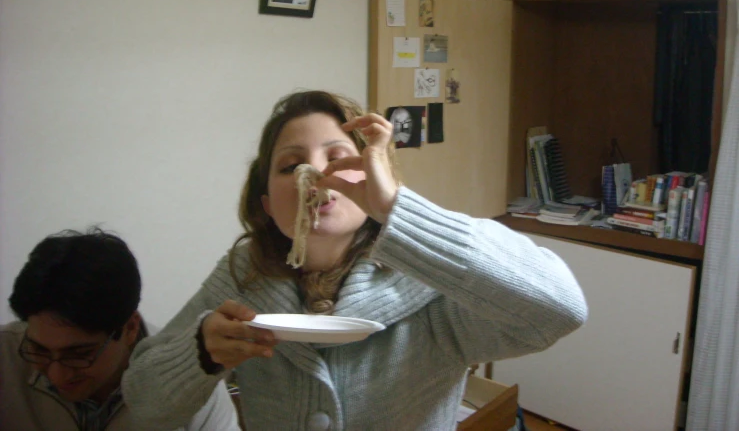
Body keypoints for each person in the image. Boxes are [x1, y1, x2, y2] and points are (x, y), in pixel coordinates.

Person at [123, 90, 588, 430]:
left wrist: (396, 210)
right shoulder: (241, 277)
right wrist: (200, 354)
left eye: (337, 157)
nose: (317, 175)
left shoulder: (428, 283)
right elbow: (145, 403)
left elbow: (559, 310)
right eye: (290, 166)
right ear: (266, 203)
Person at [0, 228, 240, 431]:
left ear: (130, 328)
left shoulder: (188, 381)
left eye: (79, 354)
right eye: (38, 350)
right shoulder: (6, 355)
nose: (56, 375)